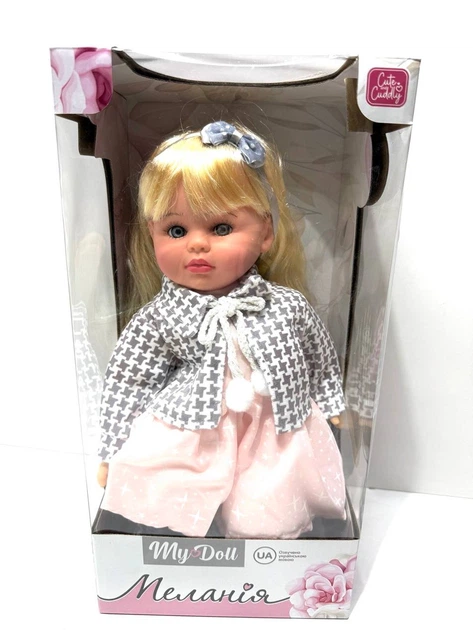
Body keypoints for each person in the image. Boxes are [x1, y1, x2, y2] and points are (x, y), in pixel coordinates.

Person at [96, 121, 346, 539]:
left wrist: (332, 401)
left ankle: (265, 547)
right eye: (176, 230)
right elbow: (128, 382)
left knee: (267, 508)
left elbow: (317, 356)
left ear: (265, 233)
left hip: (273, 431)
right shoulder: (160, 317)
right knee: (167, 491)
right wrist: (111, 448)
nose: (197, 244)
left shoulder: (285, 306)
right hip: (192, 429)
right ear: (152, 235)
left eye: (221, 228)